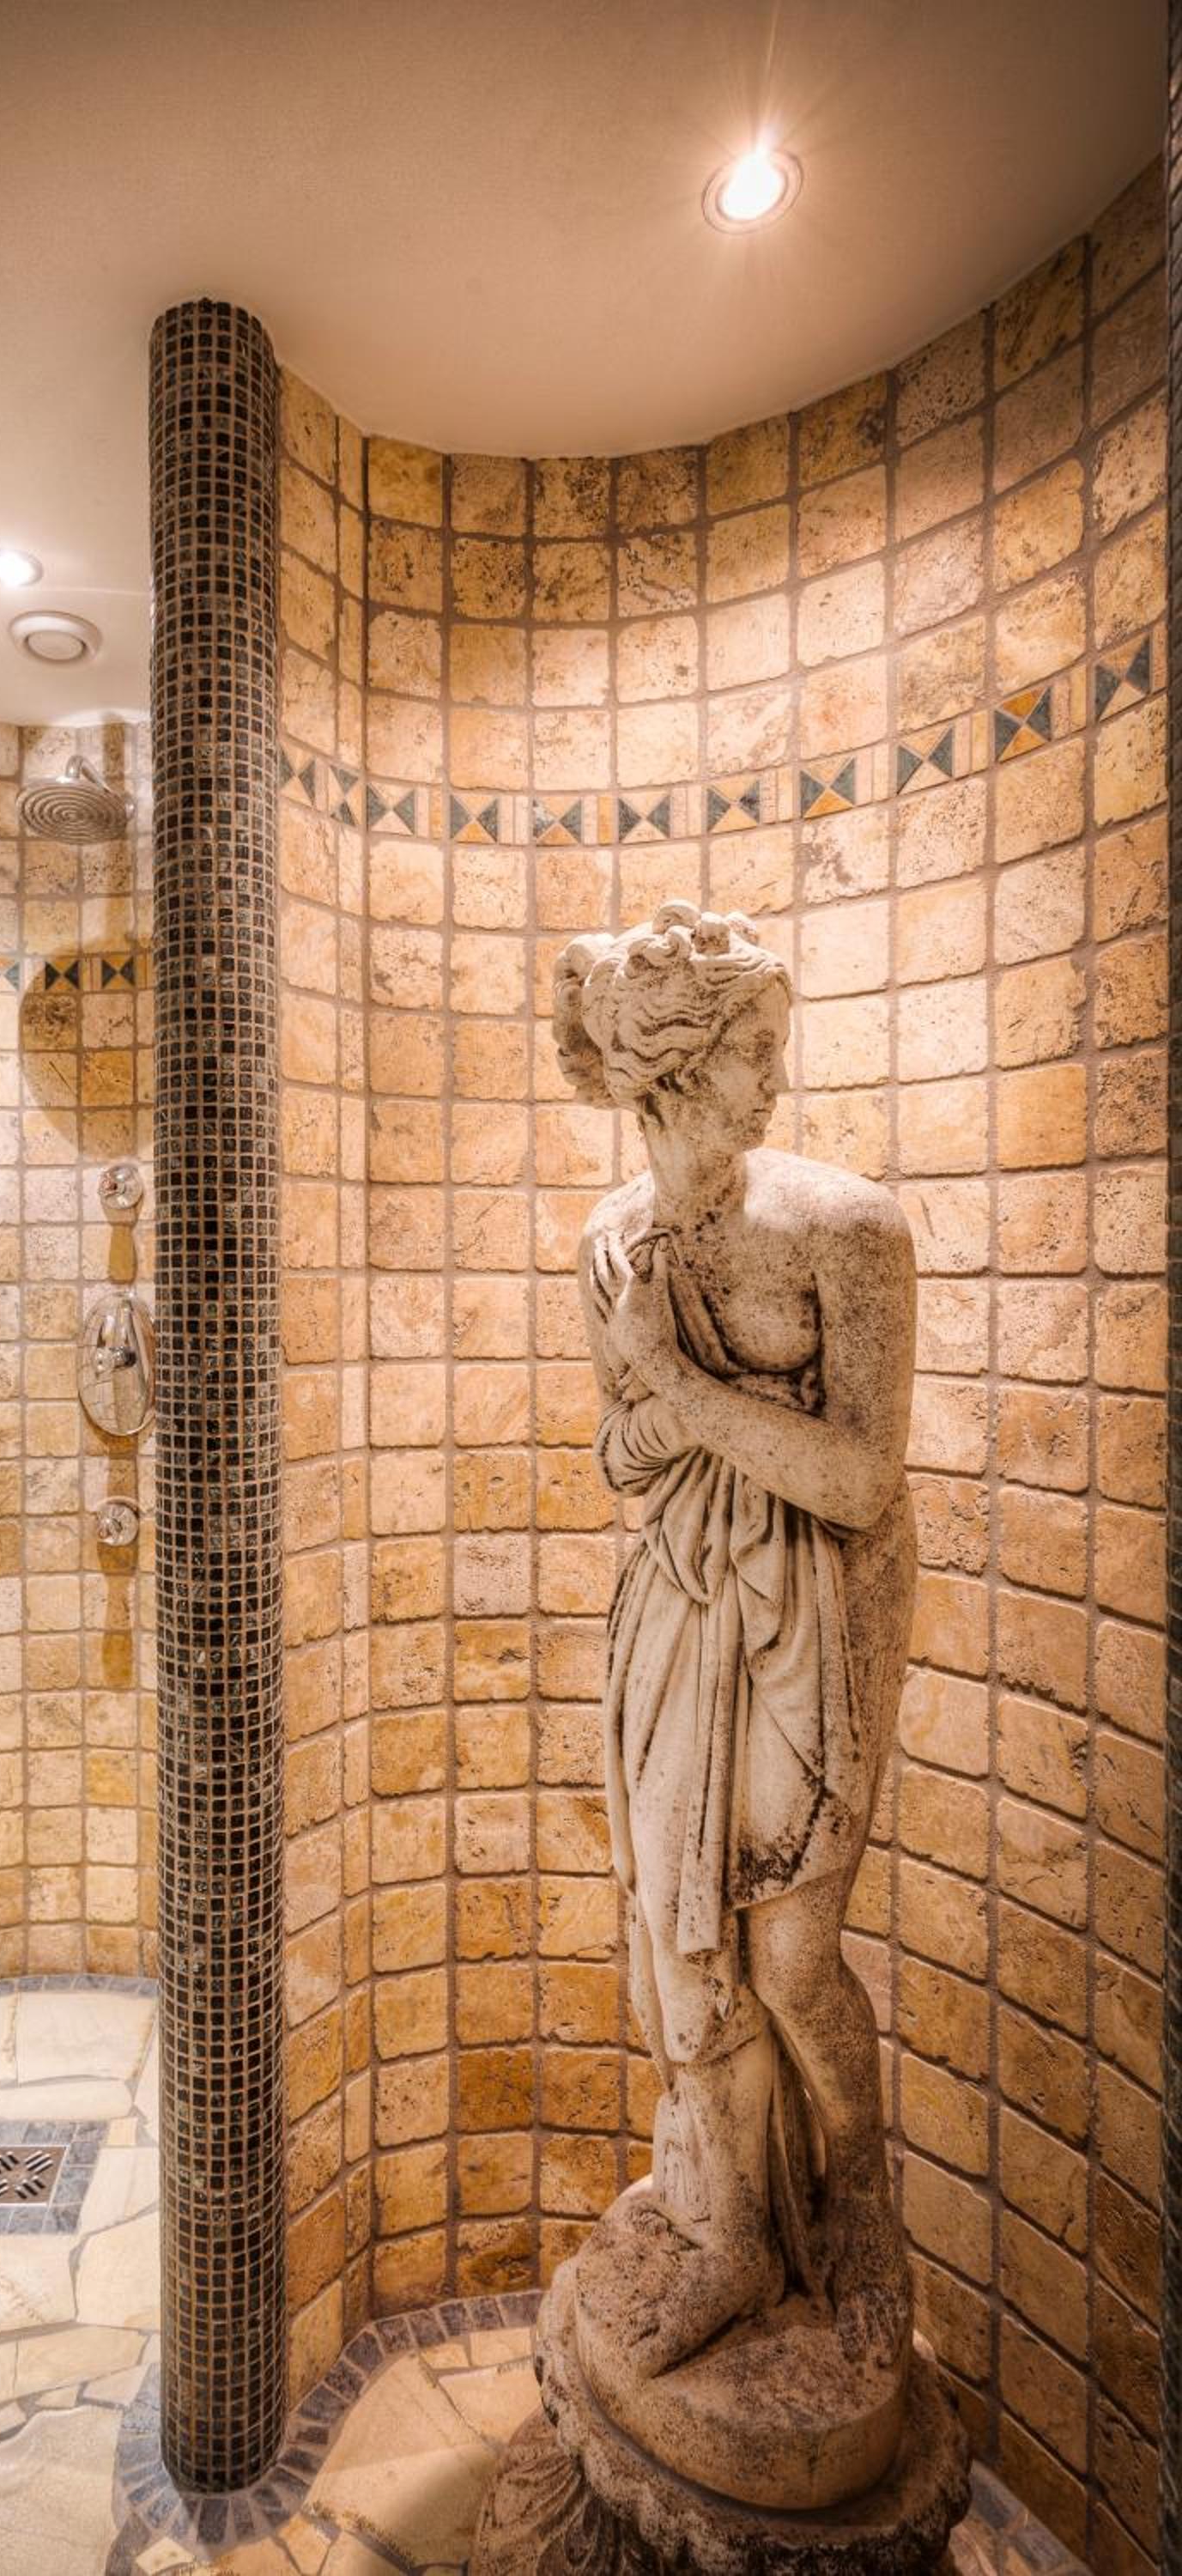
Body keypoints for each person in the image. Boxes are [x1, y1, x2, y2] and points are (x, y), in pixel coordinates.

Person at [556, 898, 915, 2380]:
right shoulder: (611, 1240)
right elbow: (621, 1460)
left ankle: (861, 2211)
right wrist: (652, 1405)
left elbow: (861, 1480)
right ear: (674, 1069)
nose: (777, 1079)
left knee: (795, 1955)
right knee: (685, 1946)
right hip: (684, 1600)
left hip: (820, 1603)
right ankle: (729, 2237)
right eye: (753, 1050)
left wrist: (681, 1389)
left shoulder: (844, 1227)